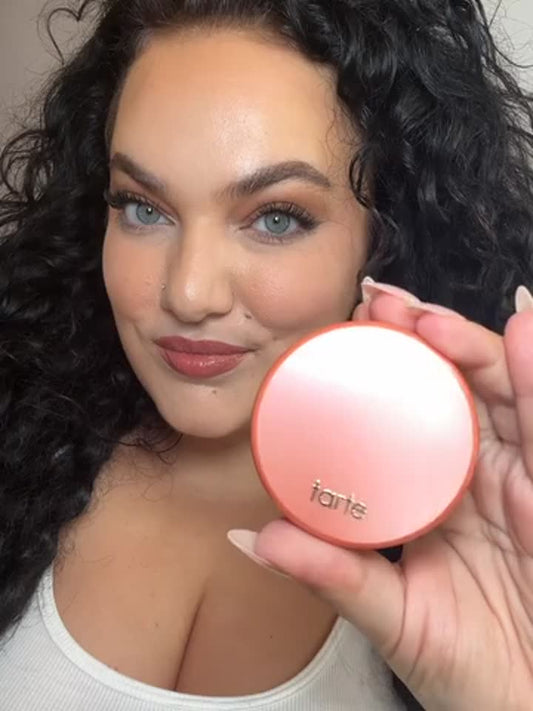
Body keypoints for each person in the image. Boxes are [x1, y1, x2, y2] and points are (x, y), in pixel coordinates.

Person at [0, 0, 532, 708]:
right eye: (142, 207)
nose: (189, 293)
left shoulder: (467, 566)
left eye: (276, 218)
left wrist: (502, 693)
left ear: (386, 234)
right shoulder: (17, 436)